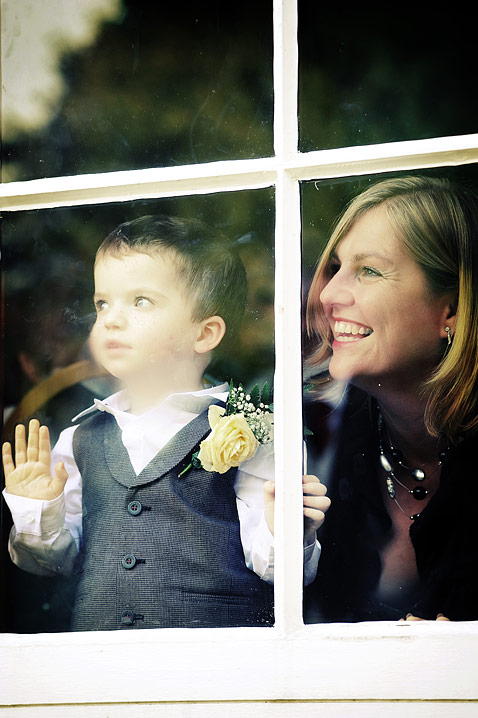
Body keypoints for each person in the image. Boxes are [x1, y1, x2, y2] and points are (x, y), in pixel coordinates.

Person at [2, 214, 330, 631]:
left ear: (205, 333)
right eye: (103, 303)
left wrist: (285, 526)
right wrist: (37, 511)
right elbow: (54, 562)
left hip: (213, 669)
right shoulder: (80, 438)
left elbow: (278, 571)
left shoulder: (253, 431)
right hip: (96, 672)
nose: (111, 319)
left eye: (141, 301)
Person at [303, 176, 478, 622]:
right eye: (338, 267)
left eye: (369, 270)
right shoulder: (316, 437)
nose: (328, 294)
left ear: (452, 310)